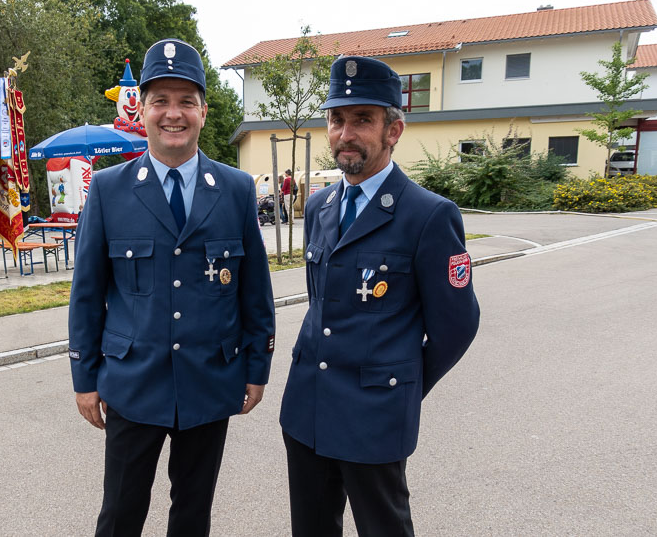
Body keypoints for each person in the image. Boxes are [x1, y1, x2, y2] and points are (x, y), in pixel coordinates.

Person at [68, 38, 276, 537]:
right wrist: (84, 377)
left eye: (186, 101)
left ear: (204, 111)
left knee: (192, 513)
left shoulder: (236, 189)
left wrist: (257, 366)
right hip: (133, 381)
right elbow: (87, 292)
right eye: (161, 100)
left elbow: (255, 289)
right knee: (120, 513)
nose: (173, 114)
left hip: (210, 378)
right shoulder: (109, 188)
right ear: (141, 110)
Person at [279, 56, 481, 536]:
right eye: (337, 120)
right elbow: (320, 303)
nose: (345, 133)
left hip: (375, 416)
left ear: (394, 130)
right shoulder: (320, 205)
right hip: (307, 407)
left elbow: (457, 325)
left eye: (362, 120)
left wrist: (400, 387)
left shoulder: (429, 215)